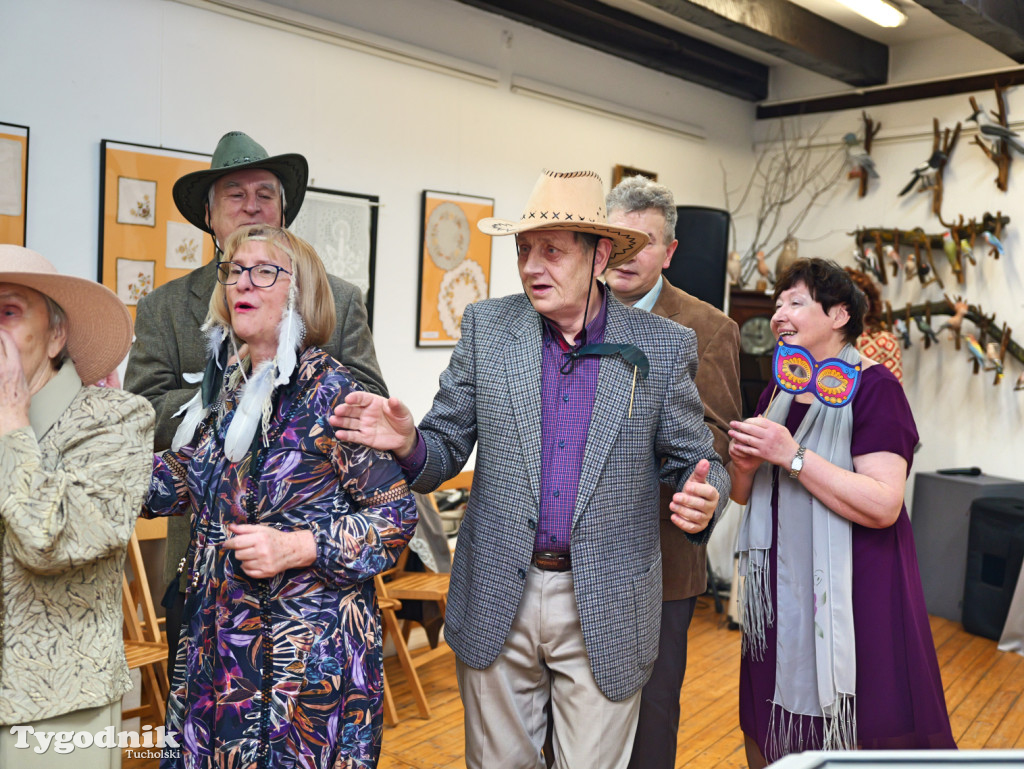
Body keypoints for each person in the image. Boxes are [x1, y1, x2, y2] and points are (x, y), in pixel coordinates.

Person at [331, 169, 730, 769]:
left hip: (607, 598)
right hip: (498, 592)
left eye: (551, 251)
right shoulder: (489, 329)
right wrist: (410, 442)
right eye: (522, 250)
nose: (531, 266)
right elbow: (442, 448)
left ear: (598, 257)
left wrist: (707, 497)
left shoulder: (662, 344)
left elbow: (697, 460)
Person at [142, 225, 416, 768]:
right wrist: (97, 450)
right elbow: (186, 477)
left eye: (264, 270)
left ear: (302, 292)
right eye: (234, 270)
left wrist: (297, 547)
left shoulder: (333, 393)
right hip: (219, 648)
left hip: (302, 663)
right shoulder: (230, 389)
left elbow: (394, 517)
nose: (243, 282)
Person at [124, 131, 388, 683]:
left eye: (264, 194)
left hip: (313, 582)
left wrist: (290, 383)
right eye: (235, 195)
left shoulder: (335, 298)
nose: (251, 205)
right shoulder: (166, 307)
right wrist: (222, 395)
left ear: (282, 212)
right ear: (209, 215)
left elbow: (368, 405)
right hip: (205, 565)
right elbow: (141, 415)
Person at [728, 258, 955, 767]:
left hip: (856, 588)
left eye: (796, 302)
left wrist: (793, 455)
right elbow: (744, 495)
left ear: (840, 315)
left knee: (866, 720)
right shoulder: (782, 387)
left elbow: (883, 504)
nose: (779, 314)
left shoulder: (876, 389)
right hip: (780, 590)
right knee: (765, 716)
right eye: (778, 302)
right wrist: (742, 464)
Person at [605, 176, 741, 769]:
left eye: (645, 242)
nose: (628, 255)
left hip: (660, 561)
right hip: (563, 564)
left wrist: (703, 491)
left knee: (649, 727)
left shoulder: (708, 329)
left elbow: (718, 447)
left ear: (670, 252)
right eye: (618, 240)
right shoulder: (567, 313)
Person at [0, 245, 154, 768]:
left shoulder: (116, 419)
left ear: (56, 335)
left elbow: (48, 541)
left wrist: (12, 422)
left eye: (8, 311)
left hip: (54, 711)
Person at [845, 267, 903, 384]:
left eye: (861, 296)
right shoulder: (826, 340)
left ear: (870, 301)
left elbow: (891, 391)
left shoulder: (884, 341)